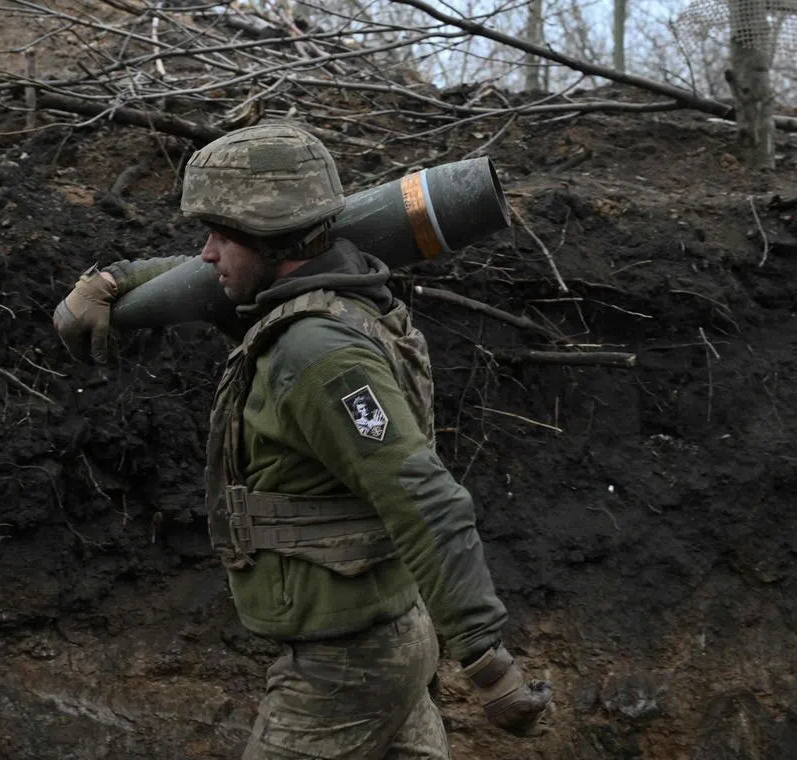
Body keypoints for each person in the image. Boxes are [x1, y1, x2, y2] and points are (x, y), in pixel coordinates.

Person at [53, 124, 552, 759]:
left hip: (345, 668)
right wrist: (117, 283)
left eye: (220, 235)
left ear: (268, 239)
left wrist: (488, 664)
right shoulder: (323, 290)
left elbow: (424, 497)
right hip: (382, 631)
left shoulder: (318, 354)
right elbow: (211, 279)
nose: (204, 254)